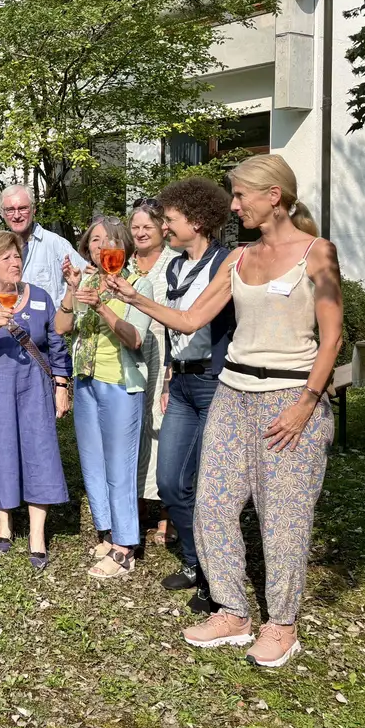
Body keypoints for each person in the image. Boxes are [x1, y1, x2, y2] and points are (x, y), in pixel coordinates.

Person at [107, 153, 343, 670]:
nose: (233, 206)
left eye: (240, 196)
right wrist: (132, 298)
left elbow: (332, 339)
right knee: (212, 505)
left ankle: (282, 625)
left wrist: (307, 404)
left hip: (290, 397)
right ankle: (233, 612)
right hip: (232, 394)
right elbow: (190, 320)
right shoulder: (238, 258)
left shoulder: (317, 253)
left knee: (284, 517)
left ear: (274, 197)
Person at [0, 231, 71, 569]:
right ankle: (4, 521)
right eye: (5, 257)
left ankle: (37, 534)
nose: (15, 262)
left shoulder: (39, 296)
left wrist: (61, 384)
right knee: (0, 448)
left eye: (17, 255)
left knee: (40, 450)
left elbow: (56, 343)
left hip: (34, 387)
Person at [150, 178, 236, 612]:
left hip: (214, 382)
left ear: (197, 221)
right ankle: (194, 561)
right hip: (182, 384)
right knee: (169, 482)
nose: (164, 227)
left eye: (170, 220)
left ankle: (212, 576)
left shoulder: (227, 262)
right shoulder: (174, 268)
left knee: (207, 488)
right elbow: (173, 330)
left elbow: (197, 321)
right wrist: (168, 378)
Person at [56, 216, 153, 580]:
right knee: (93, 462)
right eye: (95, 241)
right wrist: (72, 289)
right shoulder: (86, 281)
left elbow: (135, 338)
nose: (102, 247)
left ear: (123, 247)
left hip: (120, 383)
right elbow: (62, 327)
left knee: (120, 466)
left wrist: (100, 306)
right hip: (86, 380)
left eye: (110, 240)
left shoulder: (137, 284)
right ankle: (108, 532)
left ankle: (125, 548)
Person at [127, 199, 178, 546]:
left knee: (161, 428)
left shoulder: (175, 264)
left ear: (163, 228)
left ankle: (166, 511)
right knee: (133, 426)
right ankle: (137, 503)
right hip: (129, 352)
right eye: (135, 227)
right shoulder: (123, 263)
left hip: (162, 352)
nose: (141, 232)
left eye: (148, 226)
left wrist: (174, 369)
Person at [0, 184, 88, 308]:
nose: (17, 215)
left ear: (34, 209)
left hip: (52, 320)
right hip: (11, 318)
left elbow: (87, 279)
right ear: (2, 213)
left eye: (23, 208)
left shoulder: (54, 243)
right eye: (10, 210)